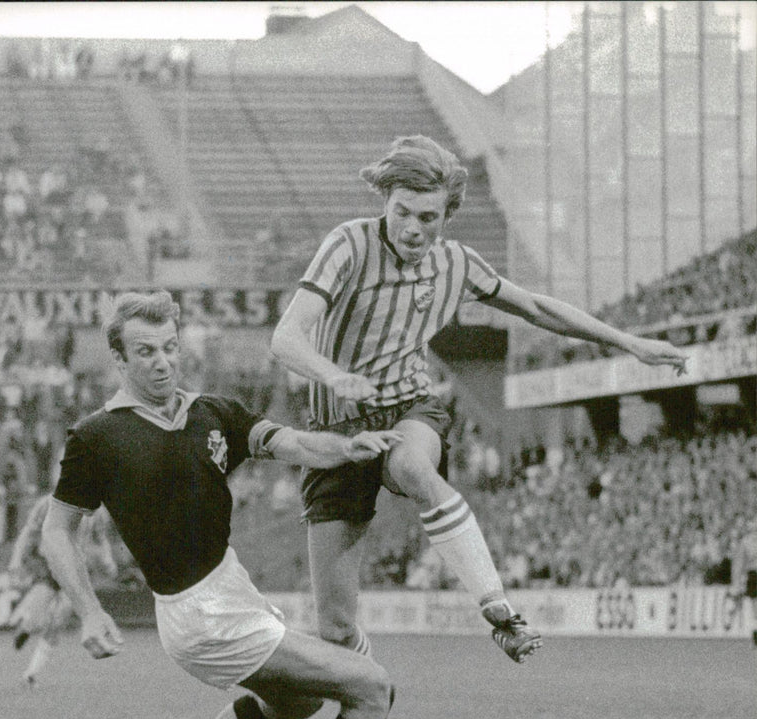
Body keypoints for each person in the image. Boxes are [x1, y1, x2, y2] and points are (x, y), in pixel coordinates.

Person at [270, 135, 690, 663]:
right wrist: (333, 377)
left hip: (407, 408)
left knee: (416, 467)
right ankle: (364, 686)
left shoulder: (457, 264)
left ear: (448, 214)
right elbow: (285, 338)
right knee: (334, 631)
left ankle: (499, 611)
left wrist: (628, 342)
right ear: (385, 201)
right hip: (335, 431)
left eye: (429, 216)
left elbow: (538, 307)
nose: (413, 228)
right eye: (403, 212)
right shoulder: (349, 245)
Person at [41, 291, 409, 719]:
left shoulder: (212, 411)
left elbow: (288, 443)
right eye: (145, 352)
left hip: (231, 591)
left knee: (304, 699)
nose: (163, 361)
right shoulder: (98, 436)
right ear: (118, 359)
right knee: (370, 686)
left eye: (169, 346)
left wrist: (345, 447)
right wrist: (89, 612)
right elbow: (57, 530)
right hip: (199, 614)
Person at [8, 492, 117, 685]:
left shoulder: (94, 509)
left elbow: (101, 538)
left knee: (59, 619)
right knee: (36, 619)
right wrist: (16, 559)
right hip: (49, 565)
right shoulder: (46, 503)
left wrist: (107, 559)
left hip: (76, 571)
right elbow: (28, 532)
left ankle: (31, 674)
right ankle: (26, 627)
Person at [731, 517, 757, 645]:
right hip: (753, 575)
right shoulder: (746, 542)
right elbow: (740, 563)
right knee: (754, 606)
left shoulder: (746, 542)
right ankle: (755, 632)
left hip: (753, 574)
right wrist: (737, 581)